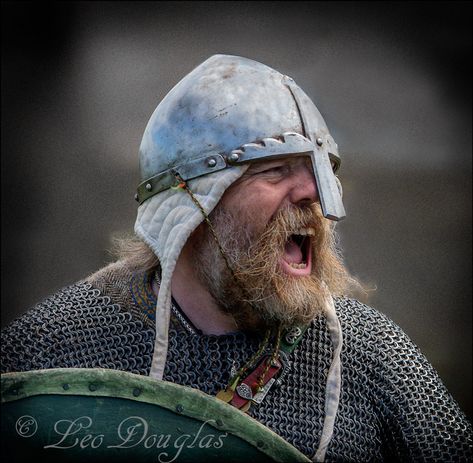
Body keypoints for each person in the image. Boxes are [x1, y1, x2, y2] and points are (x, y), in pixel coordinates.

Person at [1, 54, 471, 462]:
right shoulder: (54, 346)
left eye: (319, 172)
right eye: (275, 170)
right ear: (192, 207)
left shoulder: (373, 358)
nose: (313, 194)